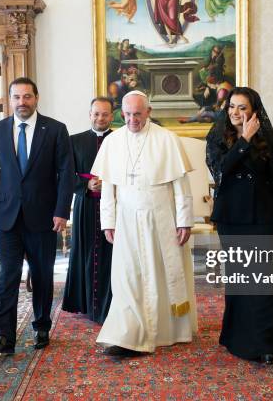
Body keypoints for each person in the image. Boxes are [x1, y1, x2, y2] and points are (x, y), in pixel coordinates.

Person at [91, 90, 198, 356]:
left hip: (161, 217)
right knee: (127, 276)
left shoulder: (167, 139)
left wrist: (184, 221)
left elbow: (180, 186)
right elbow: (108, 189)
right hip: (126, 219)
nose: (132, 120)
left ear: (148, 112)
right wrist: (108, 222)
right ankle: (126, 333)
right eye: (127, 114)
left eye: (137, 114)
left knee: (160, 275)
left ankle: (164, 332)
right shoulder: (113, 142)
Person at [0, 77, 74, 354]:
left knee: (42, 274)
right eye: (17, 97)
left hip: (43, 217)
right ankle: (4, 336)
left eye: (27, 96)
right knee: (8, 275)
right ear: (10, 100)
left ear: (36, 98)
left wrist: (61, 211)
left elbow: (66, 174)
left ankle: (42, 326)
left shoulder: (56, 130)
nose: (22, 102)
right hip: (6, 216)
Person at [206, 86, 273, 365]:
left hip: (261, 218)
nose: (235, 112)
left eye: (242, 107)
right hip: (231, 218)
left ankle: (267, 343)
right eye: (232, 106)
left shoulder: (264, 137)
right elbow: (222, 171)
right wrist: (244, 139)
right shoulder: (217, 135)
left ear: (254, 111)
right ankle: (235, 336)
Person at [62, 97, 115, 324]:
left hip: (114, 206)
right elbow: (63, 175)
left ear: (112, 116)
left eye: (104, 114)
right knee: (85, 254)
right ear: (90, 114)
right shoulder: (74, 141)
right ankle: (84, 303)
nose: (100, 118)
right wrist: (85, 185)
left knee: (110, 256)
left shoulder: (120, 139)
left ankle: (111, 304)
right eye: (96, 114)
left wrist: (110, 183)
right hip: (85, 205)